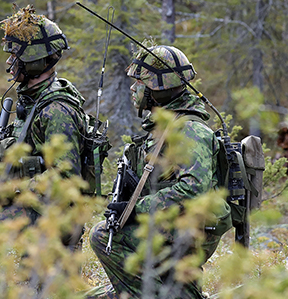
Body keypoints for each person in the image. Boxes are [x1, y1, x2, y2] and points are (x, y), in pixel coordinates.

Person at [86, 45, 233, 298]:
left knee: (100, 235)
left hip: (189, 231)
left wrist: (135, 209)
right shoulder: (164, 127)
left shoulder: (190, 130)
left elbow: (193, 189)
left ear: (158, 88)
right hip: (168, 227)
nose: (133, 89)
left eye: (139, 82)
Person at [0, 5, 90, 248]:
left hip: (53, 216)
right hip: (28, 205)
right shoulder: (33, 99)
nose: (10, 62)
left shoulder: (56, 110)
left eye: (16, 56)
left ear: (34, 60)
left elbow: (66, 180)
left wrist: (15, 188)